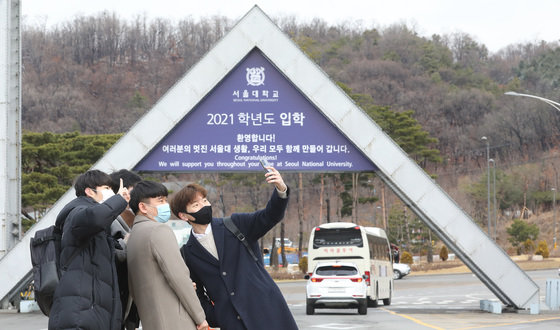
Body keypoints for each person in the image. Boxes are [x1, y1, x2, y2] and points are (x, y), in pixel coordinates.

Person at [170, 166, 298, 330]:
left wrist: (281, 190)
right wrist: (215, 315)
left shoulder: (235, 225)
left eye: (205, 201)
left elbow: (269, 216)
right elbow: (196, 292)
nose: (204, 206)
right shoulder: (188, 253)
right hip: (232, 322)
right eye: (196, 205)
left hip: (267, 312)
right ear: (183, 216)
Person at [48, 169, 130, 330]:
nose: (111, 193)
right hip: (81, 310)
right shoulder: (77, 212)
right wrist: (118, 200)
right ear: (89, 191)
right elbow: (95, 217)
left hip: (89, 307)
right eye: (106, 188)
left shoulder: (91, 220)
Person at [127, 180, 209, 330]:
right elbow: (178, 276)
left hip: (151, 320)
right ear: (143, 207)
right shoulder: (158, 231)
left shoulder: (133, 236)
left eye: (165, 199)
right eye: (160, 200)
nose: (165, 204)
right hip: (176, 319)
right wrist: (200, 317)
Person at [109, 169, 142, 330]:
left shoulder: (136, 220)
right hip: (114, 305)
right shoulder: (106, 222)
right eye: (133, 191)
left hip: (128, 310)